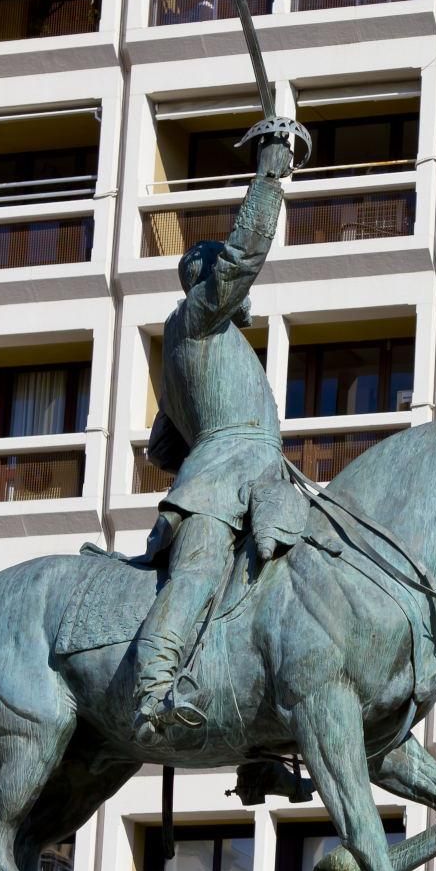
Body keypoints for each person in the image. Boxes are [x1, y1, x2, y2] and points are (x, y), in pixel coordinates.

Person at [130, 132, 296, 743]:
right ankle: (152, 693)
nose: (242, 295)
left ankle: (262, 745)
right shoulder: (196, 319)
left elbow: (162, 449)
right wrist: (269, 176)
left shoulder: (206, 347)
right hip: (222, 481)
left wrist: (194, 408)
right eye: (224, 283)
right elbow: (241, 256)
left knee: (284, 595)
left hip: (262, 477)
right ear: (202, 282)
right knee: (199, 576)